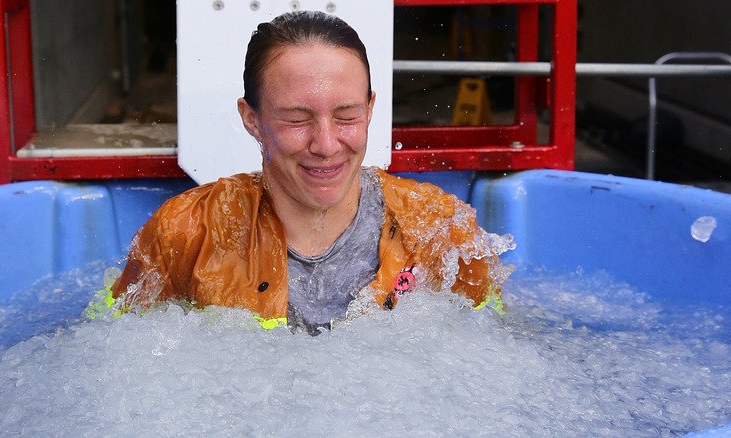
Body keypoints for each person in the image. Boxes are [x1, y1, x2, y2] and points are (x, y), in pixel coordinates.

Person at [109, 11, 508, 334]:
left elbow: (492, 342)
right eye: (297, 120)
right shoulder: (186, 231)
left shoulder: (437, 228)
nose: (326, 144)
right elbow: (111, 343)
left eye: (347, 116)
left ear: (370, 109)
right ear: (251, 119)